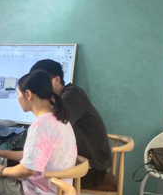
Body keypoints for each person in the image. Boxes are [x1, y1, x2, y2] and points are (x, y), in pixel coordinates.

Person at [30, 59, 111, 188]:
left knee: (22, 167)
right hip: (76, 162)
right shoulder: (59, 98)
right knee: (20, 160)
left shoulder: (72, 95)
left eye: (40, 82)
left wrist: (32, 104)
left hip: (89, 170)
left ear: (56, 80)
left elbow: (53, 129)